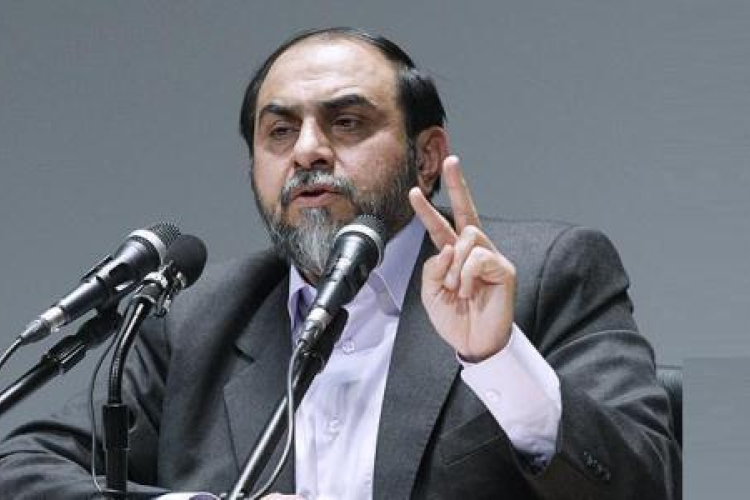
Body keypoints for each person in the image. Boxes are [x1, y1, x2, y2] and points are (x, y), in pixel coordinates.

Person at [0, 27, 680, 499]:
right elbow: (23, 470)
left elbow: (646, 483)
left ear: (426, 154)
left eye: (347, 122)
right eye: (280, 131)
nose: (307, 151)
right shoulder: (198, 320)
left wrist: (498, 360)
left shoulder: (543, 273)